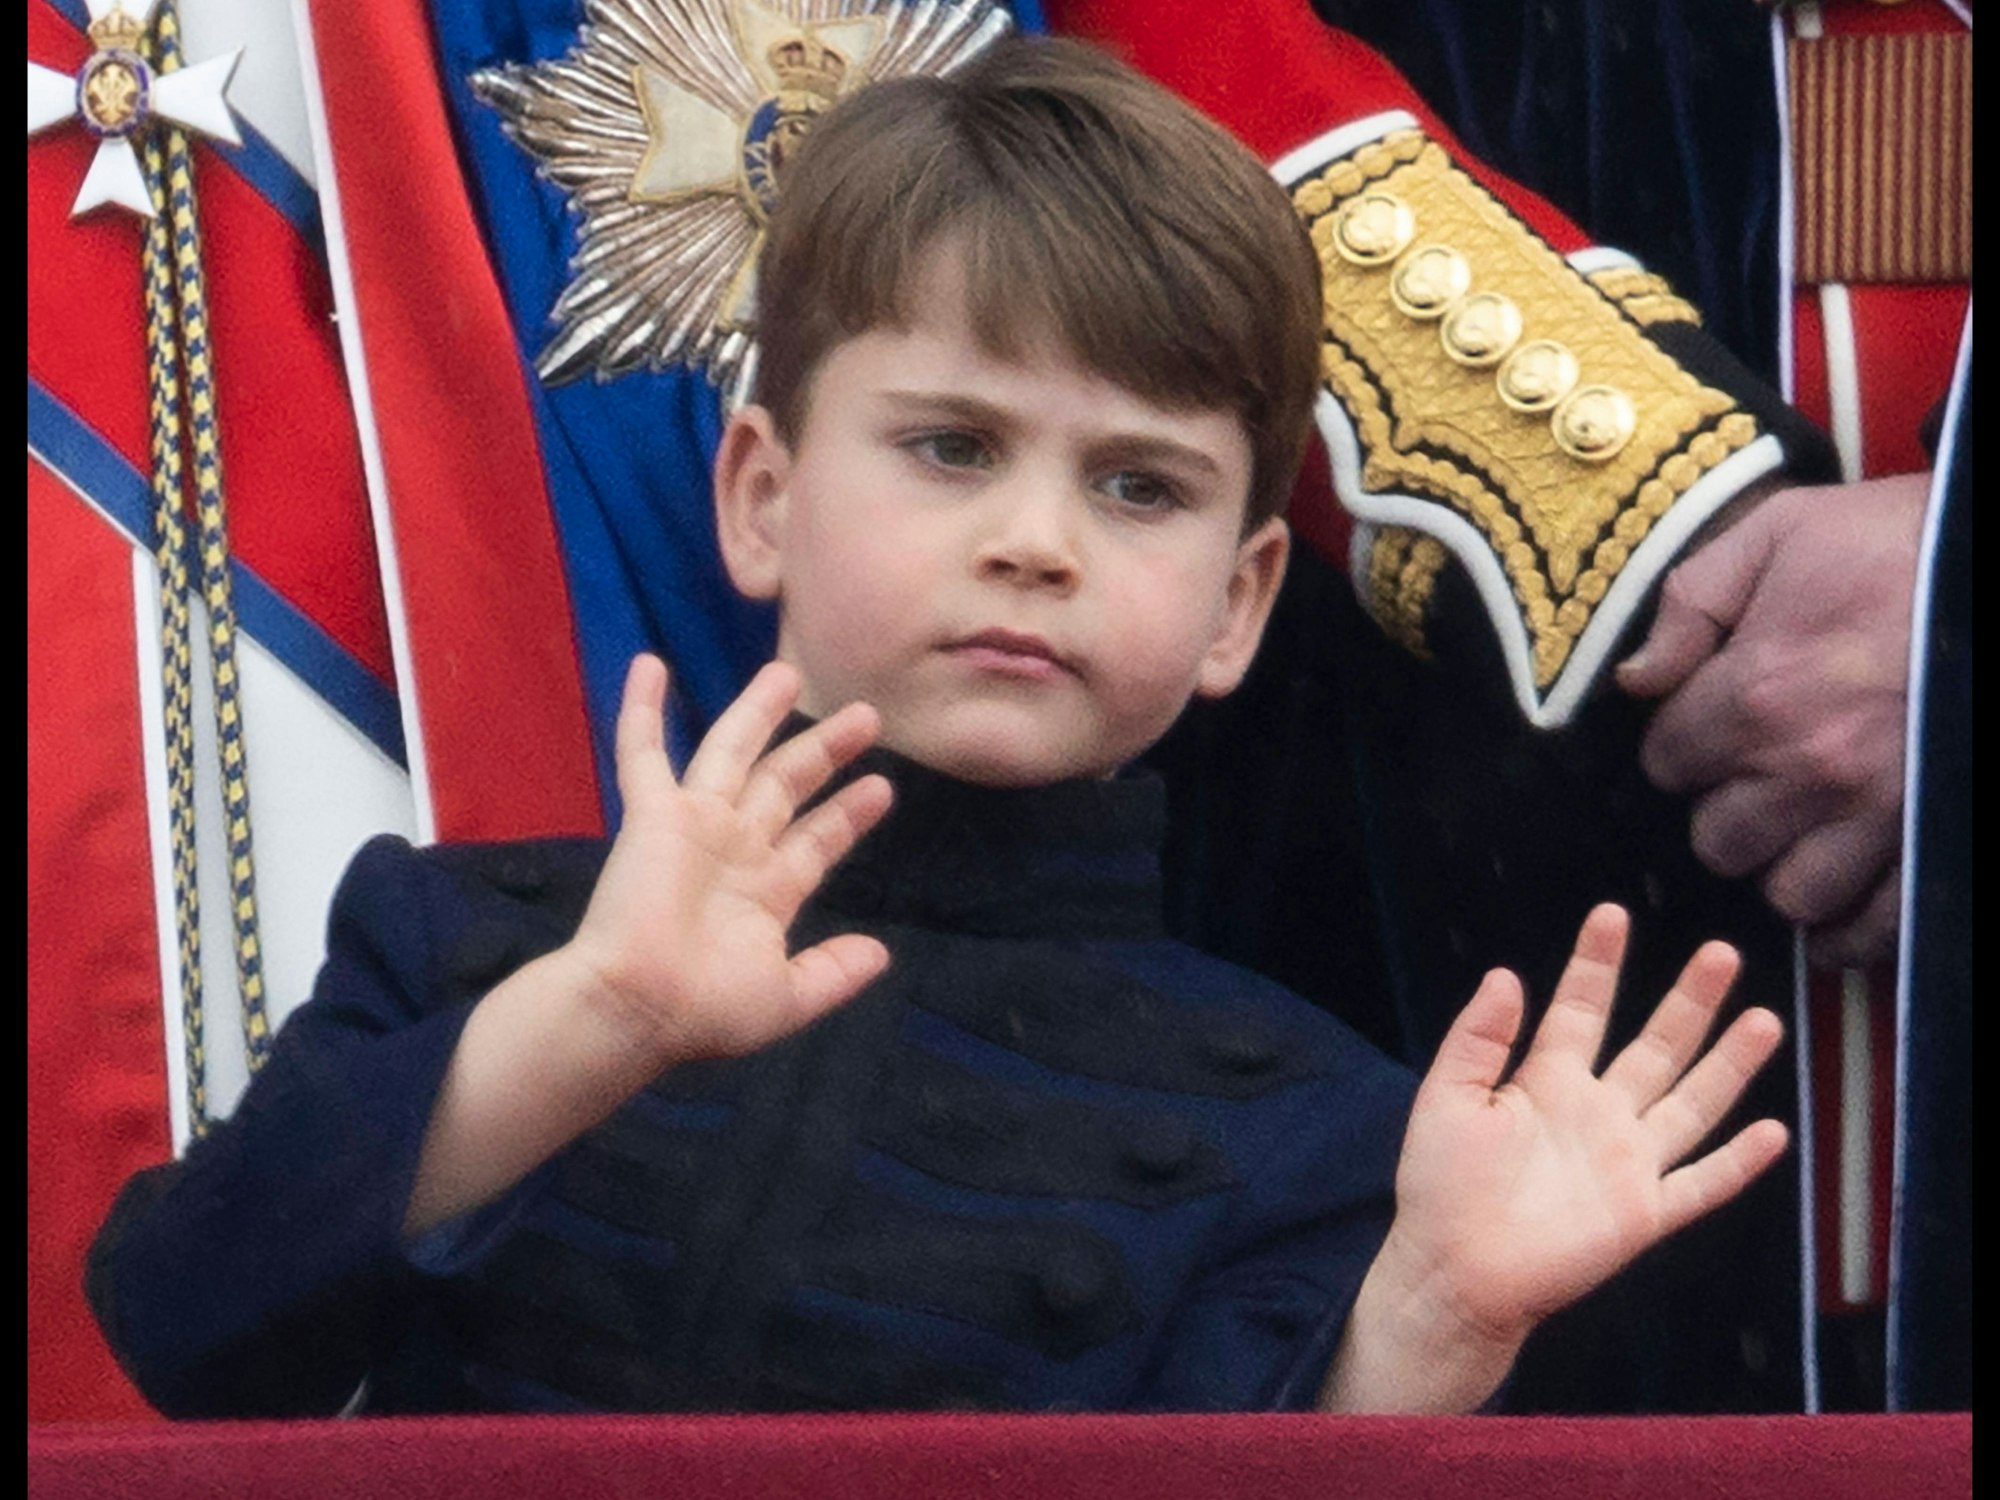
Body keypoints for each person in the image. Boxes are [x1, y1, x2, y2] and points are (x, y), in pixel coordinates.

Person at [86, 39, 1785, 1419]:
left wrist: (1422, 1330)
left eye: (1138, 484)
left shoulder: (1317, 1132)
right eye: (953, 446)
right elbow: (183, 1330)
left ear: (1242, 603)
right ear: (759, 494)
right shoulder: (473, 938)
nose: (1036, 541)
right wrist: (589, 1019)